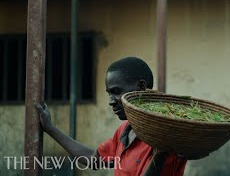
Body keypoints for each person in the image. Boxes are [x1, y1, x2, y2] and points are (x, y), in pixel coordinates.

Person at [35, 57, 187, 176]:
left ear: (141, 88)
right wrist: (50, 128)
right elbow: (93, 159)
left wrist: (161, 153)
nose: (111, 102)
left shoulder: (165, 134)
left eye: (116, 92)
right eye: (109, 93)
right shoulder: (124, 131)